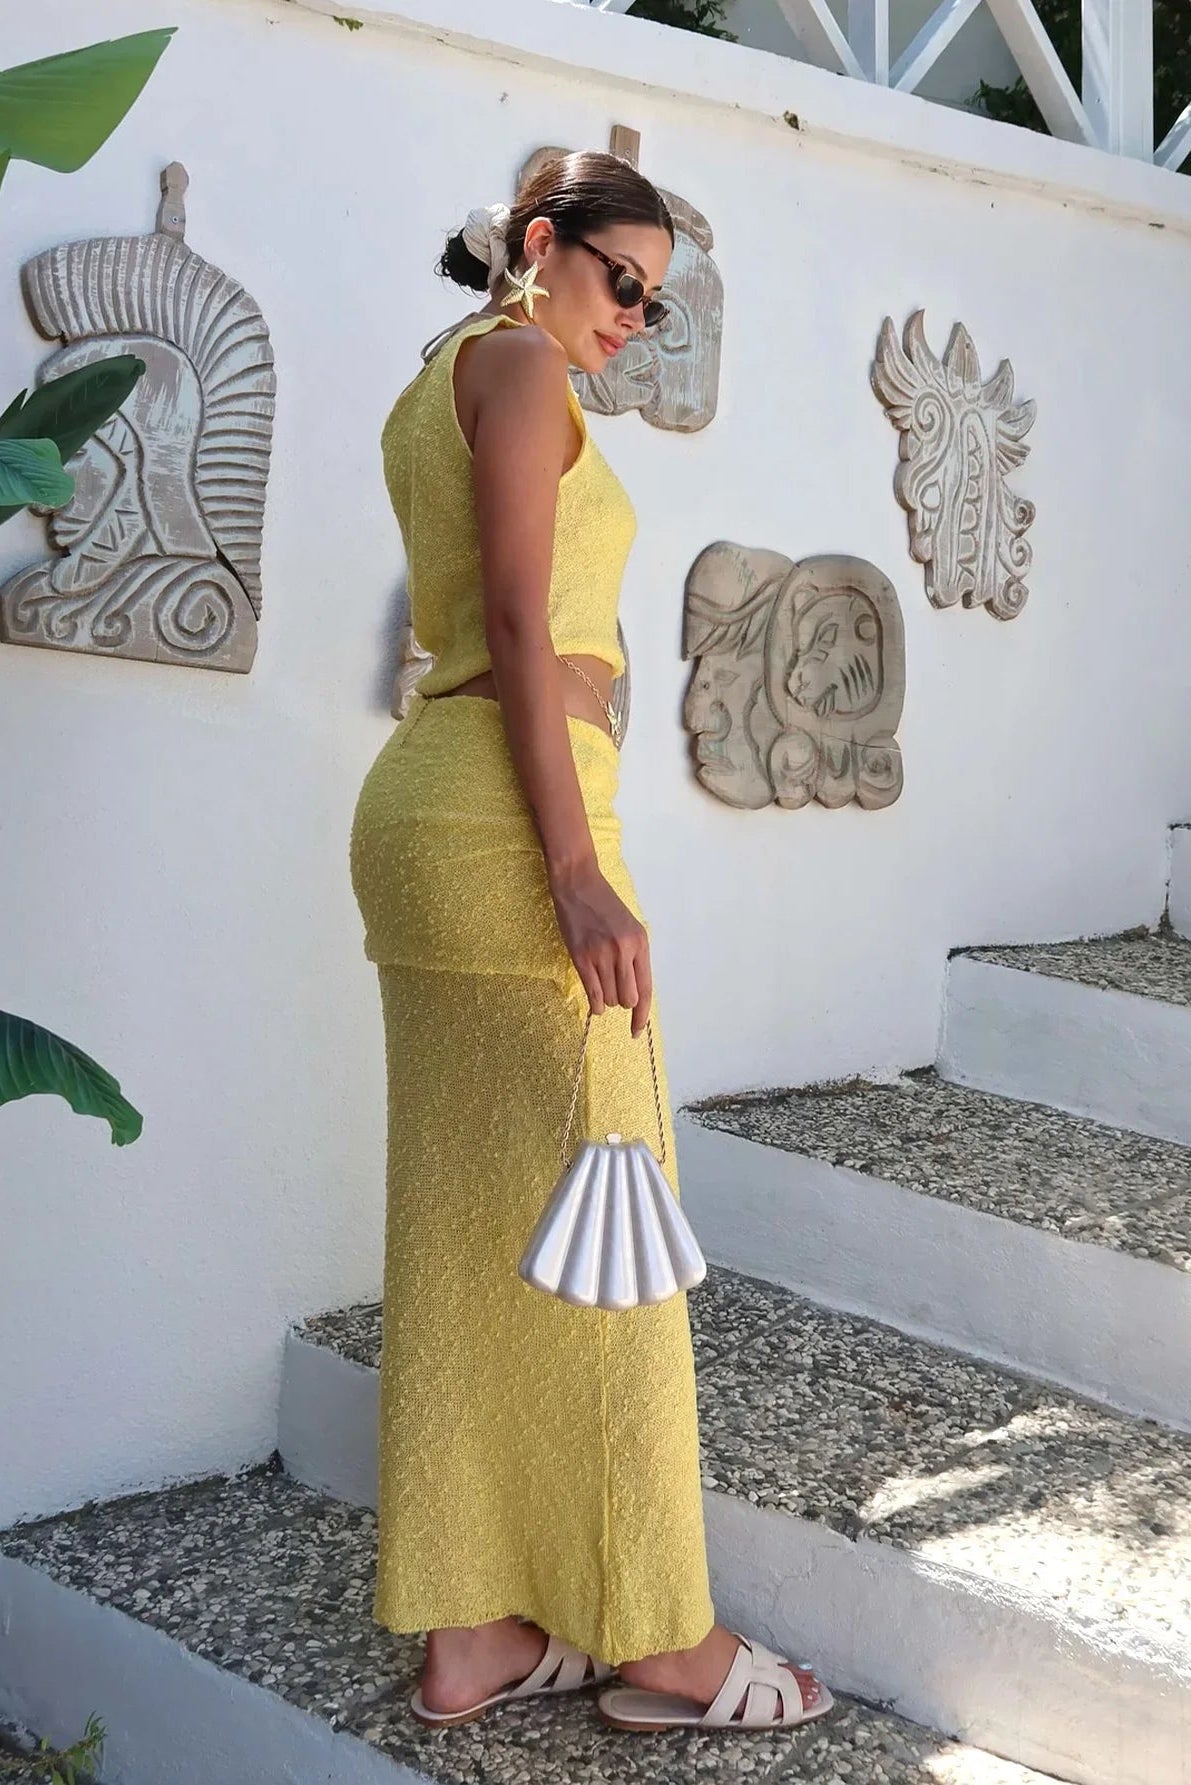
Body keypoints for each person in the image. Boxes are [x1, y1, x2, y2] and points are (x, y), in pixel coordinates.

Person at [348, 149, 835, 1737]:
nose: (640, 314)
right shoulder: (510, 365)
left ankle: (475, 1631)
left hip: (451, 827)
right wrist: (575, 872)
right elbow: (507, 623)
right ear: (542, 249)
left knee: (480, 1231)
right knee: (614, 1230)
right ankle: (669, 1643)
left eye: (660, 297)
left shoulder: (460, 372)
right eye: (623, 282)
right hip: (507, 842)